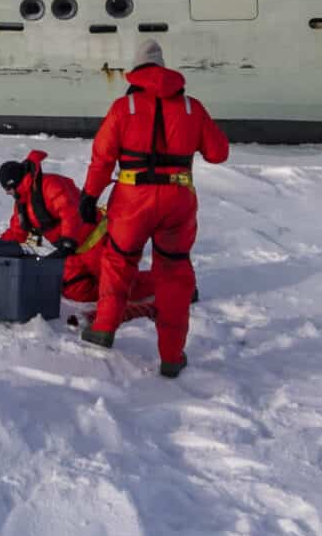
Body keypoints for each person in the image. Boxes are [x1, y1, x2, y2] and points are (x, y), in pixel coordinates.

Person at [77, 39, 230, 377]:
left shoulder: (123, 107)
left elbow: (102, 158)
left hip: (132, 200)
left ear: (136, 70)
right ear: (163, 66)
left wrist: (89, 195)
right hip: (178, 200)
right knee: (174, 274)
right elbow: (219, 153)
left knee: (118, 262)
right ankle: (172, 356)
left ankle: (103, 329)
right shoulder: (192, 107)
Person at [0, 148, 99, 304]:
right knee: (69, 286)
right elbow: (16, 232)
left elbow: (70, 212)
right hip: (74, 250)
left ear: (15, 184)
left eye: (8, 189)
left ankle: (124, 298)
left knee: (117, 283)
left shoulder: (51, 184)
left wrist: (67, 242)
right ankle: (108, 301)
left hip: (98, 240)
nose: (8, 194)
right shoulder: (22, 203)